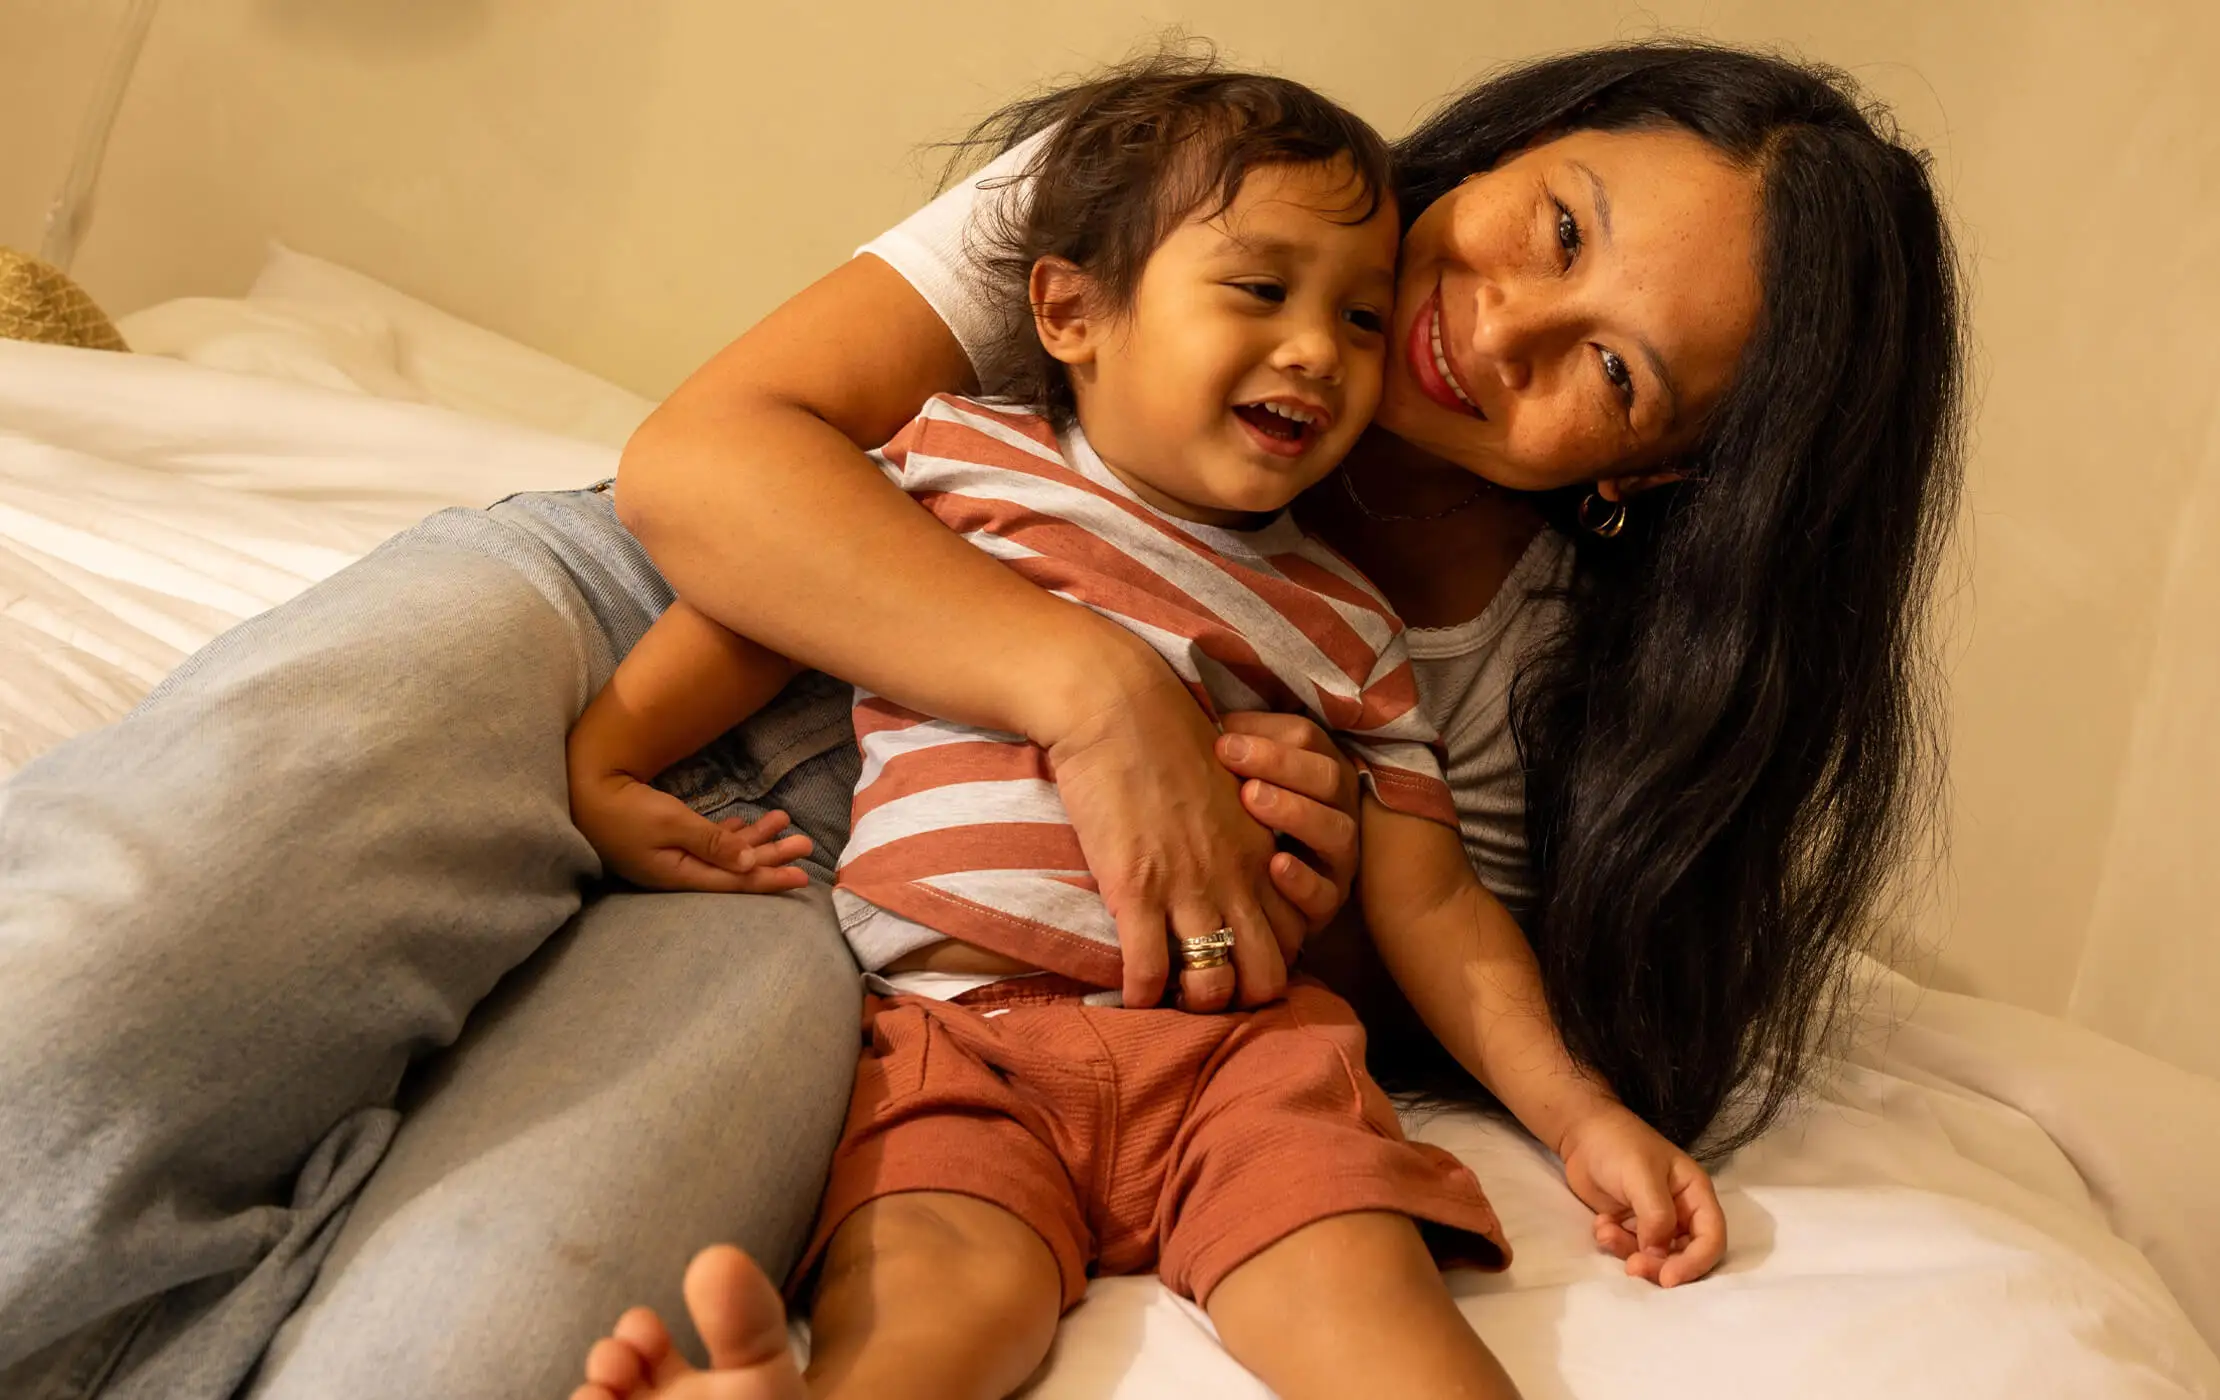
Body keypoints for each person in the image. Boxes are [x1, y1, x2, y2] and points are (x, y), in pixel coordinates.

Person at [0, 40, 1957, 1400]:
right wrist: (1092, 686)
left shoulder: (1528, 679)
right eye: (1559, 227)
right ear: (1527, 139)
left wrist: (1299, 892)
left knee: (470, 1342)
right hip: (658, 625)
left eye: (1611, 371)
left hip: (859, 931)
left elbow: (1405, 958)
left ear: (1657, 474)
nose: (1501, 325)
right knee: (89, 1008)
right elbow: (709, 464)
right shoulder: (1191, 180)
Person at [559, 59, 1716, 1400]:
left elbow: (1437, 903)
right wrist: (608, 761)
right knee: (935, 1301)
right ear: (1070, 311)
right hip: (956, 1033)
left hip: (1242, 1057)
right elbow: (769, 609)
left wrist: (1579, 1118)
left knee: (1368, 1307)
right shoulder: (955, 464)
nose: (1317, 350)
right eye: (1260, 290)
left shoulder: (1350, 624)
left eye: (1358, 316)